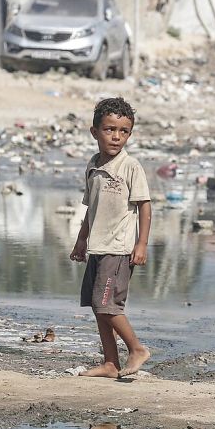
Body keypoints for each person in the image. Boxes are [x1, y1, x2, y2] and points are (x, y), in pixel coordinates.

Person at [69, 97, 152, 378]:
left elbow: (144, 205)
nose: (116, 136)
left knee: (107, 305)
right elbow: (91, 208)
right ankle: (110, 362)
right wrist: (81, 241)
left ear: (130, 134)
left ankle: (137, 349)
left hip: (119, 248)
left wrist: (141, 243)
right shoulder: (93, 165)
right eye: (109, 129)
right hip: (97, 247)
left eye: (123, 131)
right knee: (97, 306)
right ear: (94, 132)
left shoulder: (130, 167)